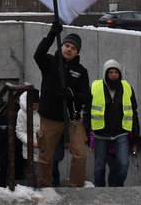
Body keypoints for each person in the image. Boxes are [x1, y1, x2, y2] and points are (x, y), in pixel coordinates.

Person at [34, 23, 91, 188]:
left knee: (80, 155)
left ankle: (76, 189)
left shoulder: (81, 71)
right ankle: (44, 188)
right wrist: (52, 34)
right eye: (67, 45)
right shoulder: (50, 63)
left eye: (73, 48)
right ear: (62, 45)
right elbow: (38, 55)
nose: (69, 49)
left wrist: (71, 94)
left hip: (73, 120)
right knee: (46, 157)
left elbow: (86, 97)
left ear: (77, 52)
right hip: (50, 119)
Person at [89, 59, 140, 187]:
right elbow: (86, 111)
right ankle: (99, 189)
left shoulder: (127, 88)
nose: (113, 75)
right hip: (100, 134)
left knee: (123, 164)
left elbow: (134, 113)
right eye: (110, 72)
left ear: (119, 74)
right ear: (105, 74)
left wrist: (135, 138)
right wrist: (87, 136)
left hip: (120, 133)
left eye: (115, 72)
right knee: (99, 167)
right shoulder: (95, 87)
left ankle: (116, 188)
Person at [15, 88, 41, 187]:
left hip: (44, 148)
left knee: (43, 173)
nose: (34, 107)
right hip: (30, 149)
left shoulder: (43, 110)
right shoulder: (22, 113)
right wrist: (31, 142)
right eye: (32, 105)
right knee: (35, 174)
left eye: (36, 105)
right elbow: (19, 132)